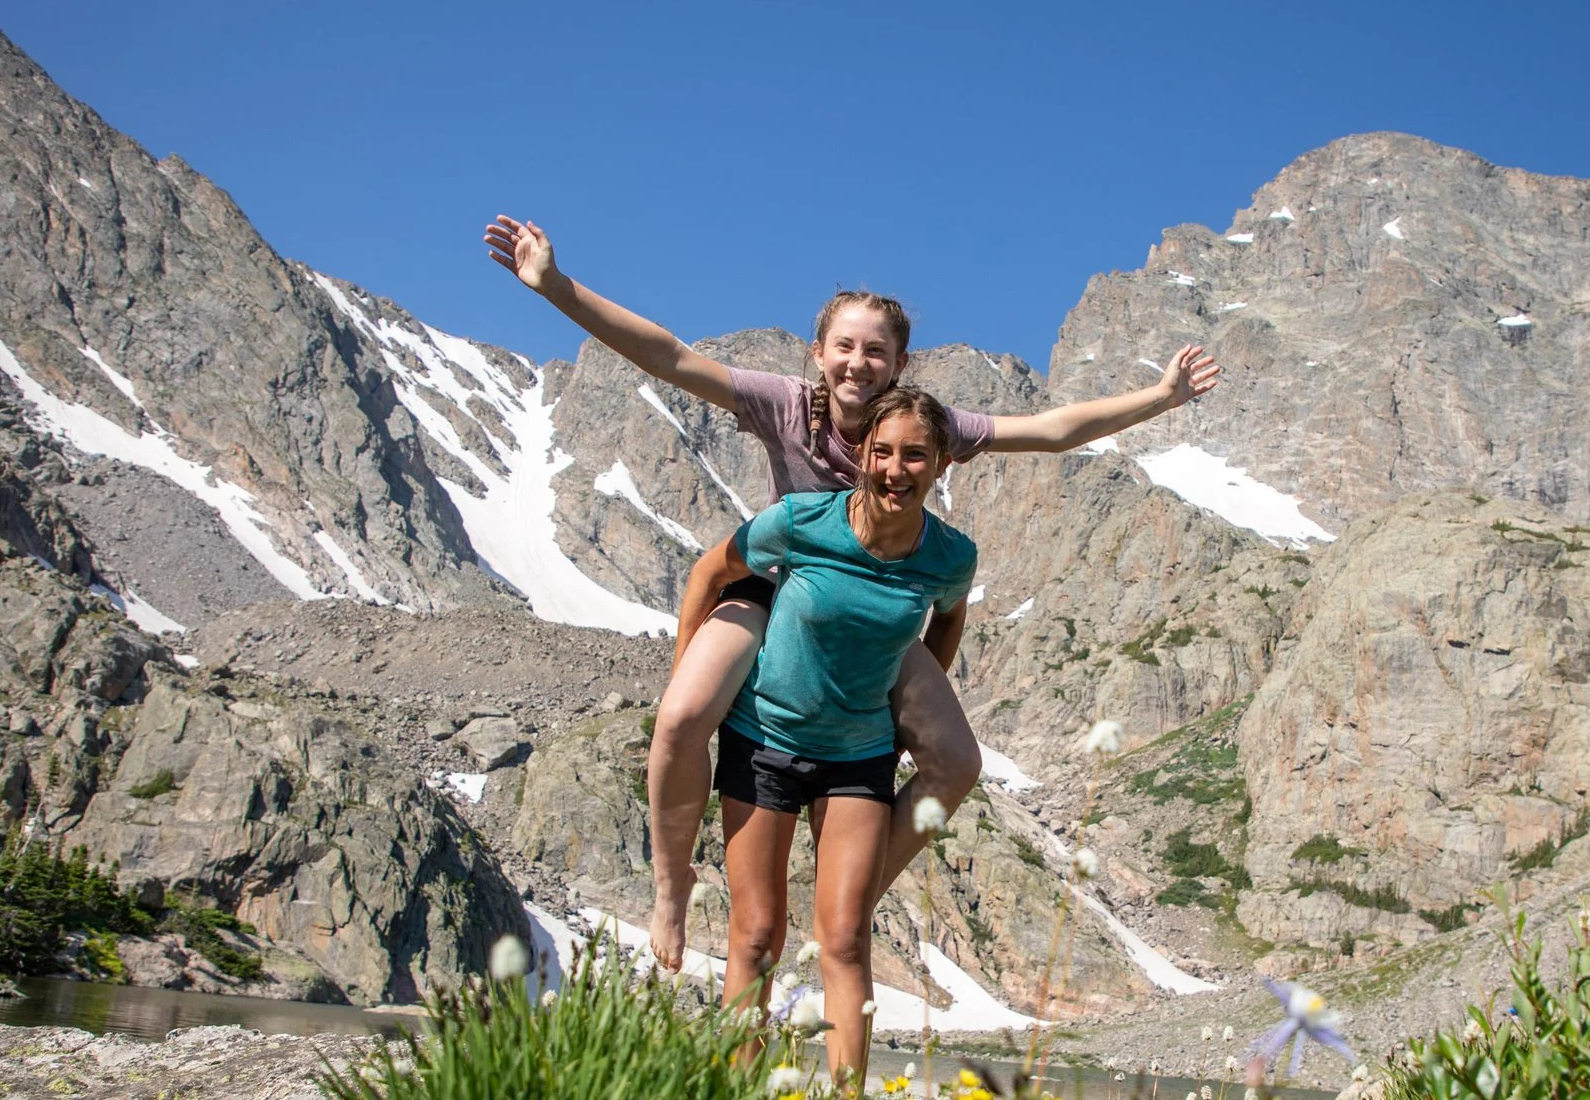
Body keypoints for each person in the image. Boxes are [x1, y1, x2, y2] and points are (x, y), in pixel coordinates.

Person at [483, 214, 1220, 970]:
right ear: (819, 353)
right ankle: (672, 885)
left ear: (898, 365)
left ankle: (854, 898)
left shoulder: (922, 427)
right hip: (777, 595)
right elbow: (669, 355)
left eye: (876, 350)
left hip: (874, 620)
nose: (857, 362)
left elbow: (1054, 430)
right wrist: (554, 286)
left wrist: (1160, 396)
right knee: (678, 718)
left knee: (958, 760)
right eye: (844, 346)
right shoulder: (784, 403)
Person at [679, 387, 974, 1081]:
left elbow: (949, 618)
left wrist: (909, 712)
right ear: (862, 454)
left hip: (860, 756)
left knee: (843, 937)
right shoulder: (804, 521)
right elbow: (712, 572)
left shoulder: (950, 557)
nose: (895, 469)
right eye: (881, 452)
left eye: (914, 456)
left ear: (939, 467)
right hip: (765, 740)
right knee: (756, 935)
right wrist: (686, 672)